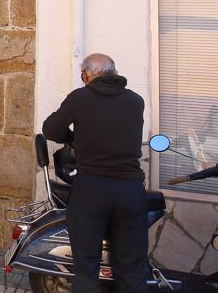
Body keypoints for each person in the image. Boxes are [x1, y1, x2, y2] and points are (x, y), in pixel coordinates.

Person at [42, 53, 147, 293]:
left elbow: (50, 129)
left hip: (91, 190)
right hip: (130, 191)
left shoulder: (81, 98)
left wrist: (73, 139)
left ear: (87, 74)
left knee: (87, 267)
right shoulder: (135, 100)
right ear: (114, 72)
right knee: (132, 267)